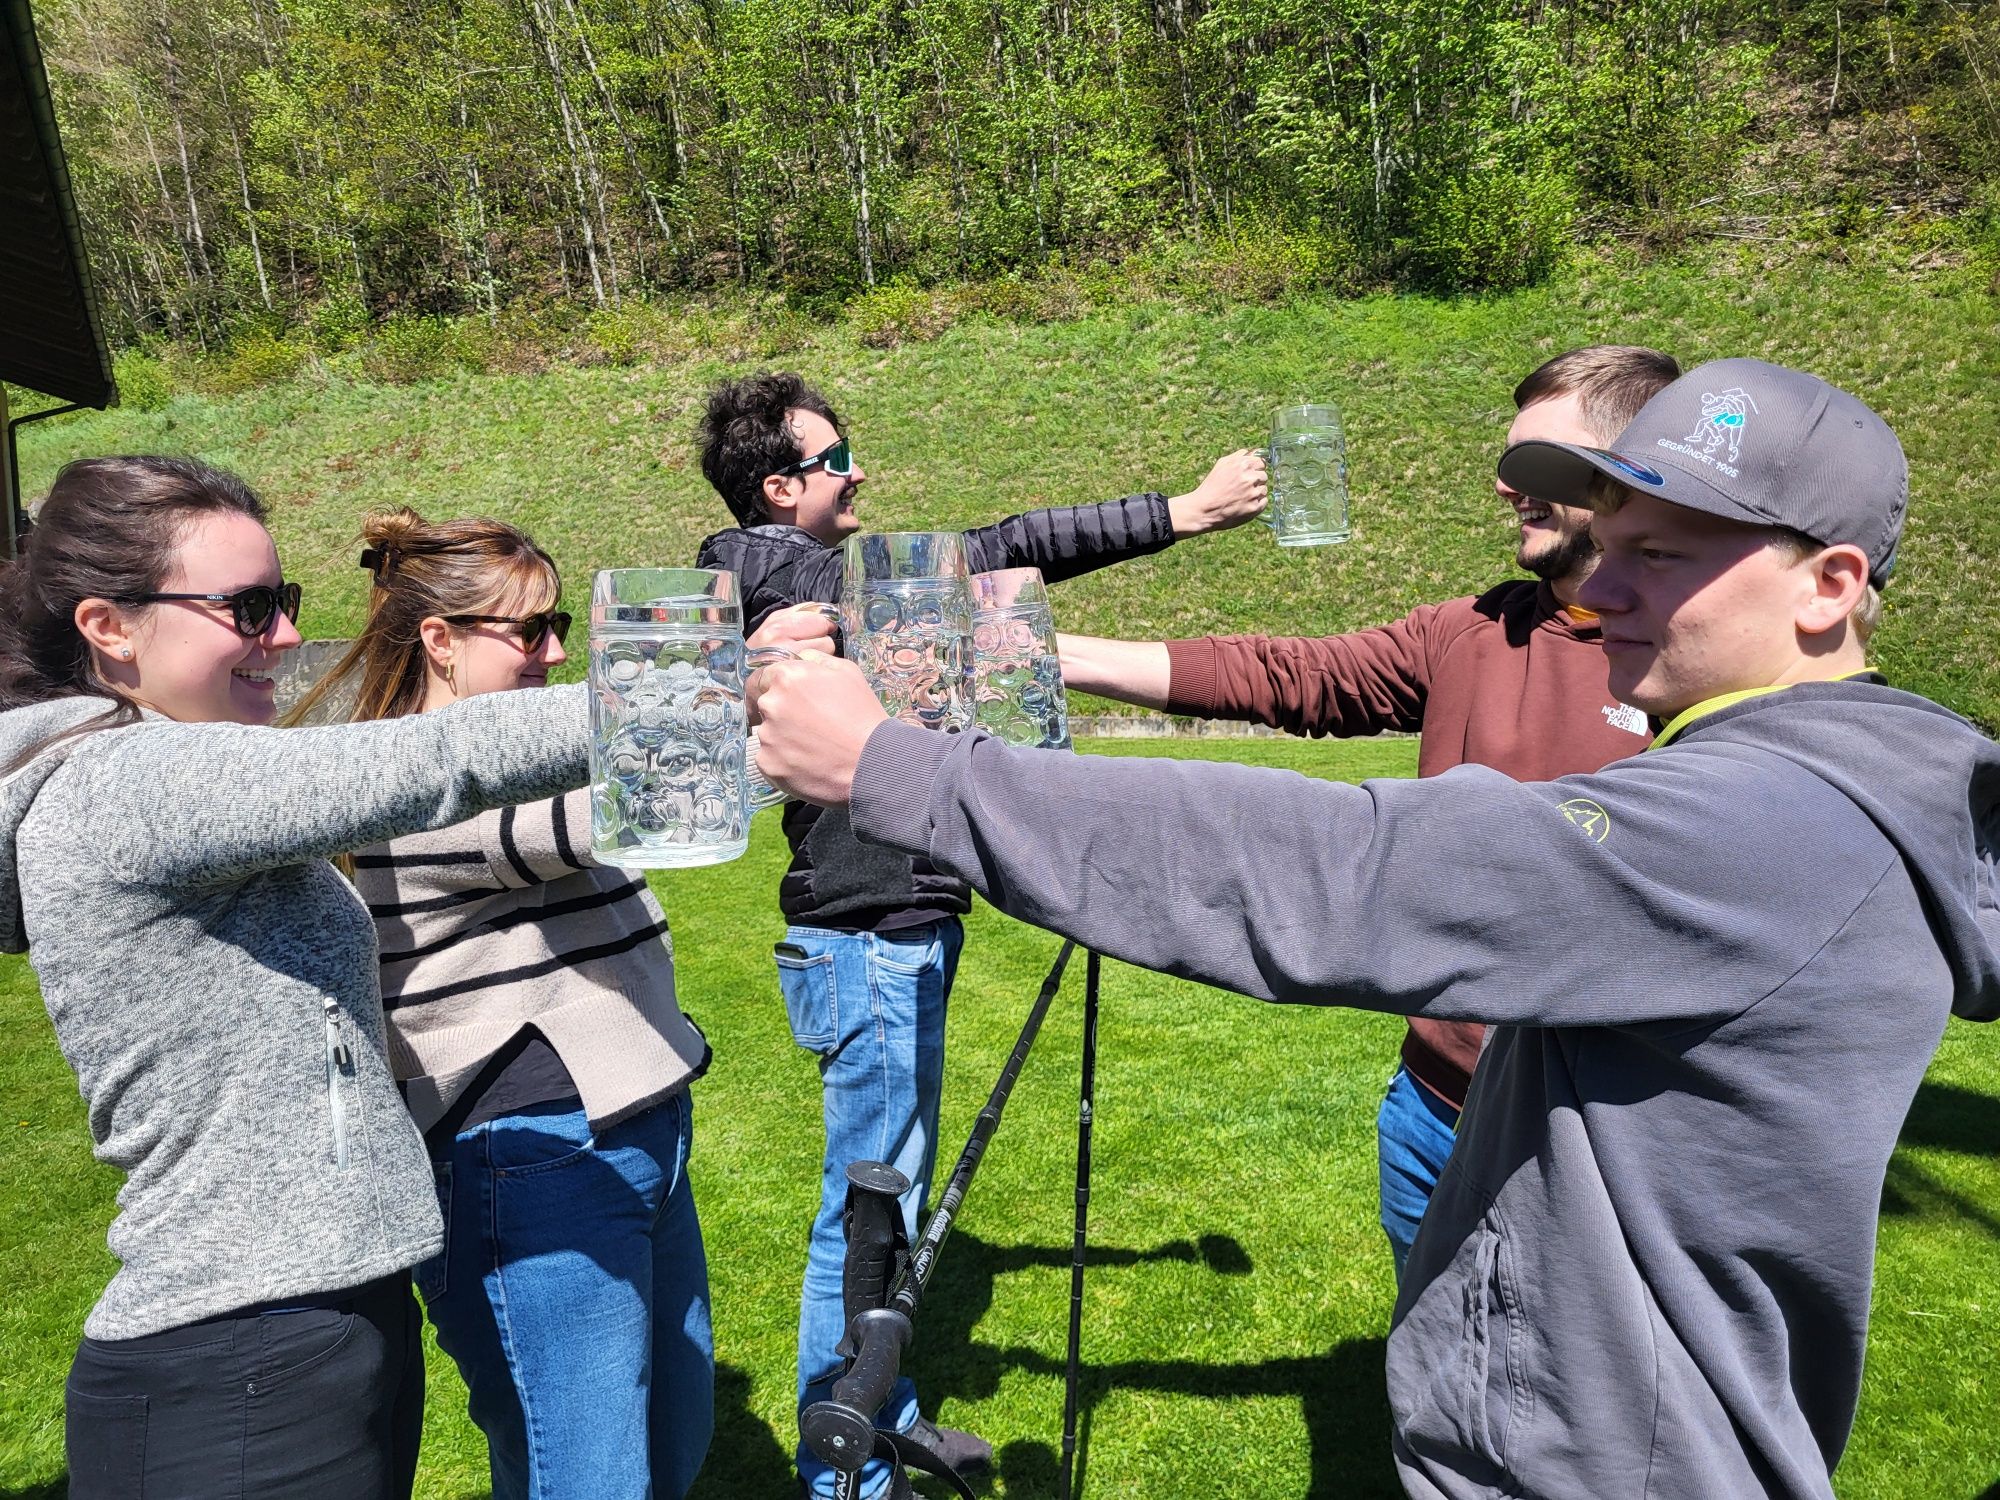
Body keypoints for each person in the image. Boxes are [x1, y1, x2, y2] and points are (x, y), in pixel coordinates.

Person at [746, 358, 1998, 1499]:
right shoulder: (1785, 774)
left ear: (1829, 588)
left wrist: (891, 767)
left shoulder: (1767, 822)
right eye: (1606, 541)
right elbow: (1296, 681)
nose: (1601, 586)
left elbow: (1349, 870)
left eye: (1660, 555)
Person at [693, 370, 1268, 1498]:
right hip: (866, 940)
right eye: (833, 456)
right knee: (863, 1209)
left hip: (889, 934)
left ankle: (882, 1412)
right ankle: (845, 1471)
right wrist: (1178, 515)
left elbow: (984, 555)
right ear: (777, 488)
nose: (856, 470)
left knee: (881, 1197)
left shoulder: (811, 577)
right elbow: (997, 546)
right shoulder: (755, 565)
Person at [0, 457, 602, 1498]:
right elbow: (431, 761)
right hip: (237, 1367)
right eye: (245, 607)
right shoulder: (123, 780)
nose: (283, 636)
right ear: (108, 626)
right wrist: (701, 690)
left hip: (299, 1326)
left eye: (283, 601)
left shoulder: (166, 767)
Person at [1057, 345, 1681, 1280]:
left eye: (1541, 464)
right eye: (1508, 465)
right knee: (1428, 1395)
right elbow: (1283, 675)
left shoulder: (1696, 665)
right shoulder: (1475, 628)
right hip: (1433, 1110)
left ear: (1638, 471)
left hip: (1600, 1136)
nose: (1509, 488)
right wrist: (1046, 649)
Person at [289, 512, 833, 1498]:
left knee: (670, 1440)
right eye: (526, 631)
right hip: (528, 1157)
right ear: (438, 640)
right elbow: (620, 813)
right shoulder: (405, 776)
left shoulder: (511, 750)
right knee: (587, 1476)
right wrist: (759, 699)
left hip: (631, 1127)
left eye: (559, 631)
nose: (551, 654)